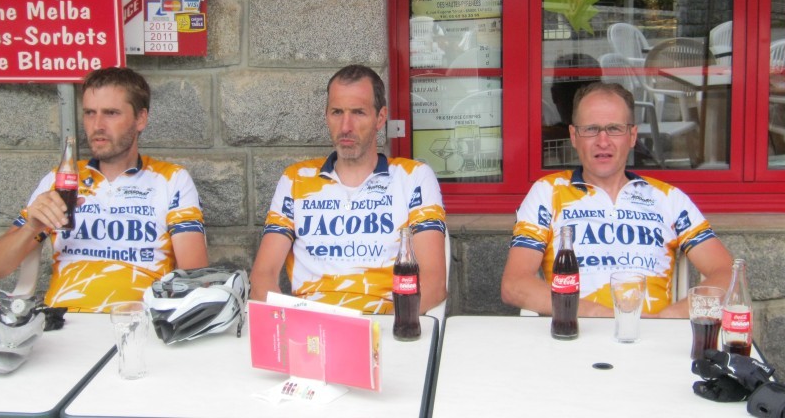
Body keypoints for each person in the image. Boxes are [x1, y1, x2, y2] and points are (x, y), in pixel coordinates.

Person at [0, 67, 209, 312]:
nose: (97, 125)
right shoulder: (62, 180)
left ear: (140, 119)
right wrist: (32, 227)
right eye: (90, 113)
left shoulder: (171, 179)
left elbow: (193, 275)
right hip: (64, 319)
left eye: (111, 113)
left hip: (140, 322)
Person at [501, 81, 733, 318]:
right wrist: (604, 317)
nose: (603, 141)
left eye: (614, 129)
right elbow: (514, 284)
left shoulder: (668, 199)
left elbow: (727, 273)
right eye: (591, 129)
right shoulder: (548, 193)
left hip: (653, 340)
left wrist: (668, 319)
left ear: (632, 136)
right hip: (575, 336)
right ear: (574, 136)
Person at [250, 64, 447, 314]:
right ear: (326, 116)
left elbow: (434, 282)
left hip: (385, 324)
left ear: (380, 118)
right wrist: (282, 324)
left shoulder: (413, 178)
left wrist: (392, 328)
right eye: (336, 112)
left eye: (358, 112)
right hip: (310, 330)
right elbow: (262, 276)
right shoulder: (296, 179)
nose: (345, 126)